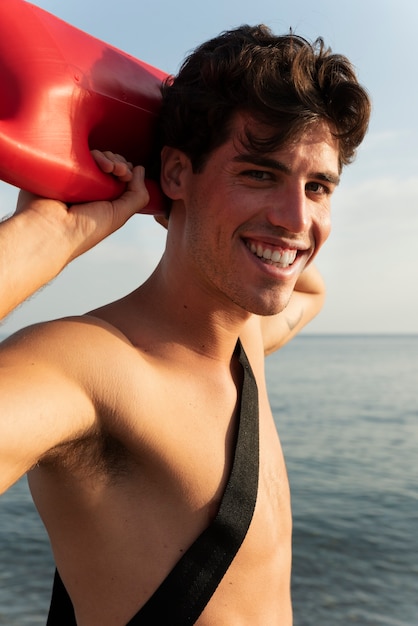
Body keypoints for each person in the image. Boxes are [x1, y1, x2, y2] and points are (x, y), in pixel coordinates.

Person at [0, 24, 370, 625]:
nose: (296, 218)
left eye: (317, 186)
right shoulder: (85, 372)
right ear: (175, 172)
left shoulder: (243, 335)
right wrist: (40, 241)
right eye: (258, 173)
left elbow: (313, 288)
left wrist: (195, 214)